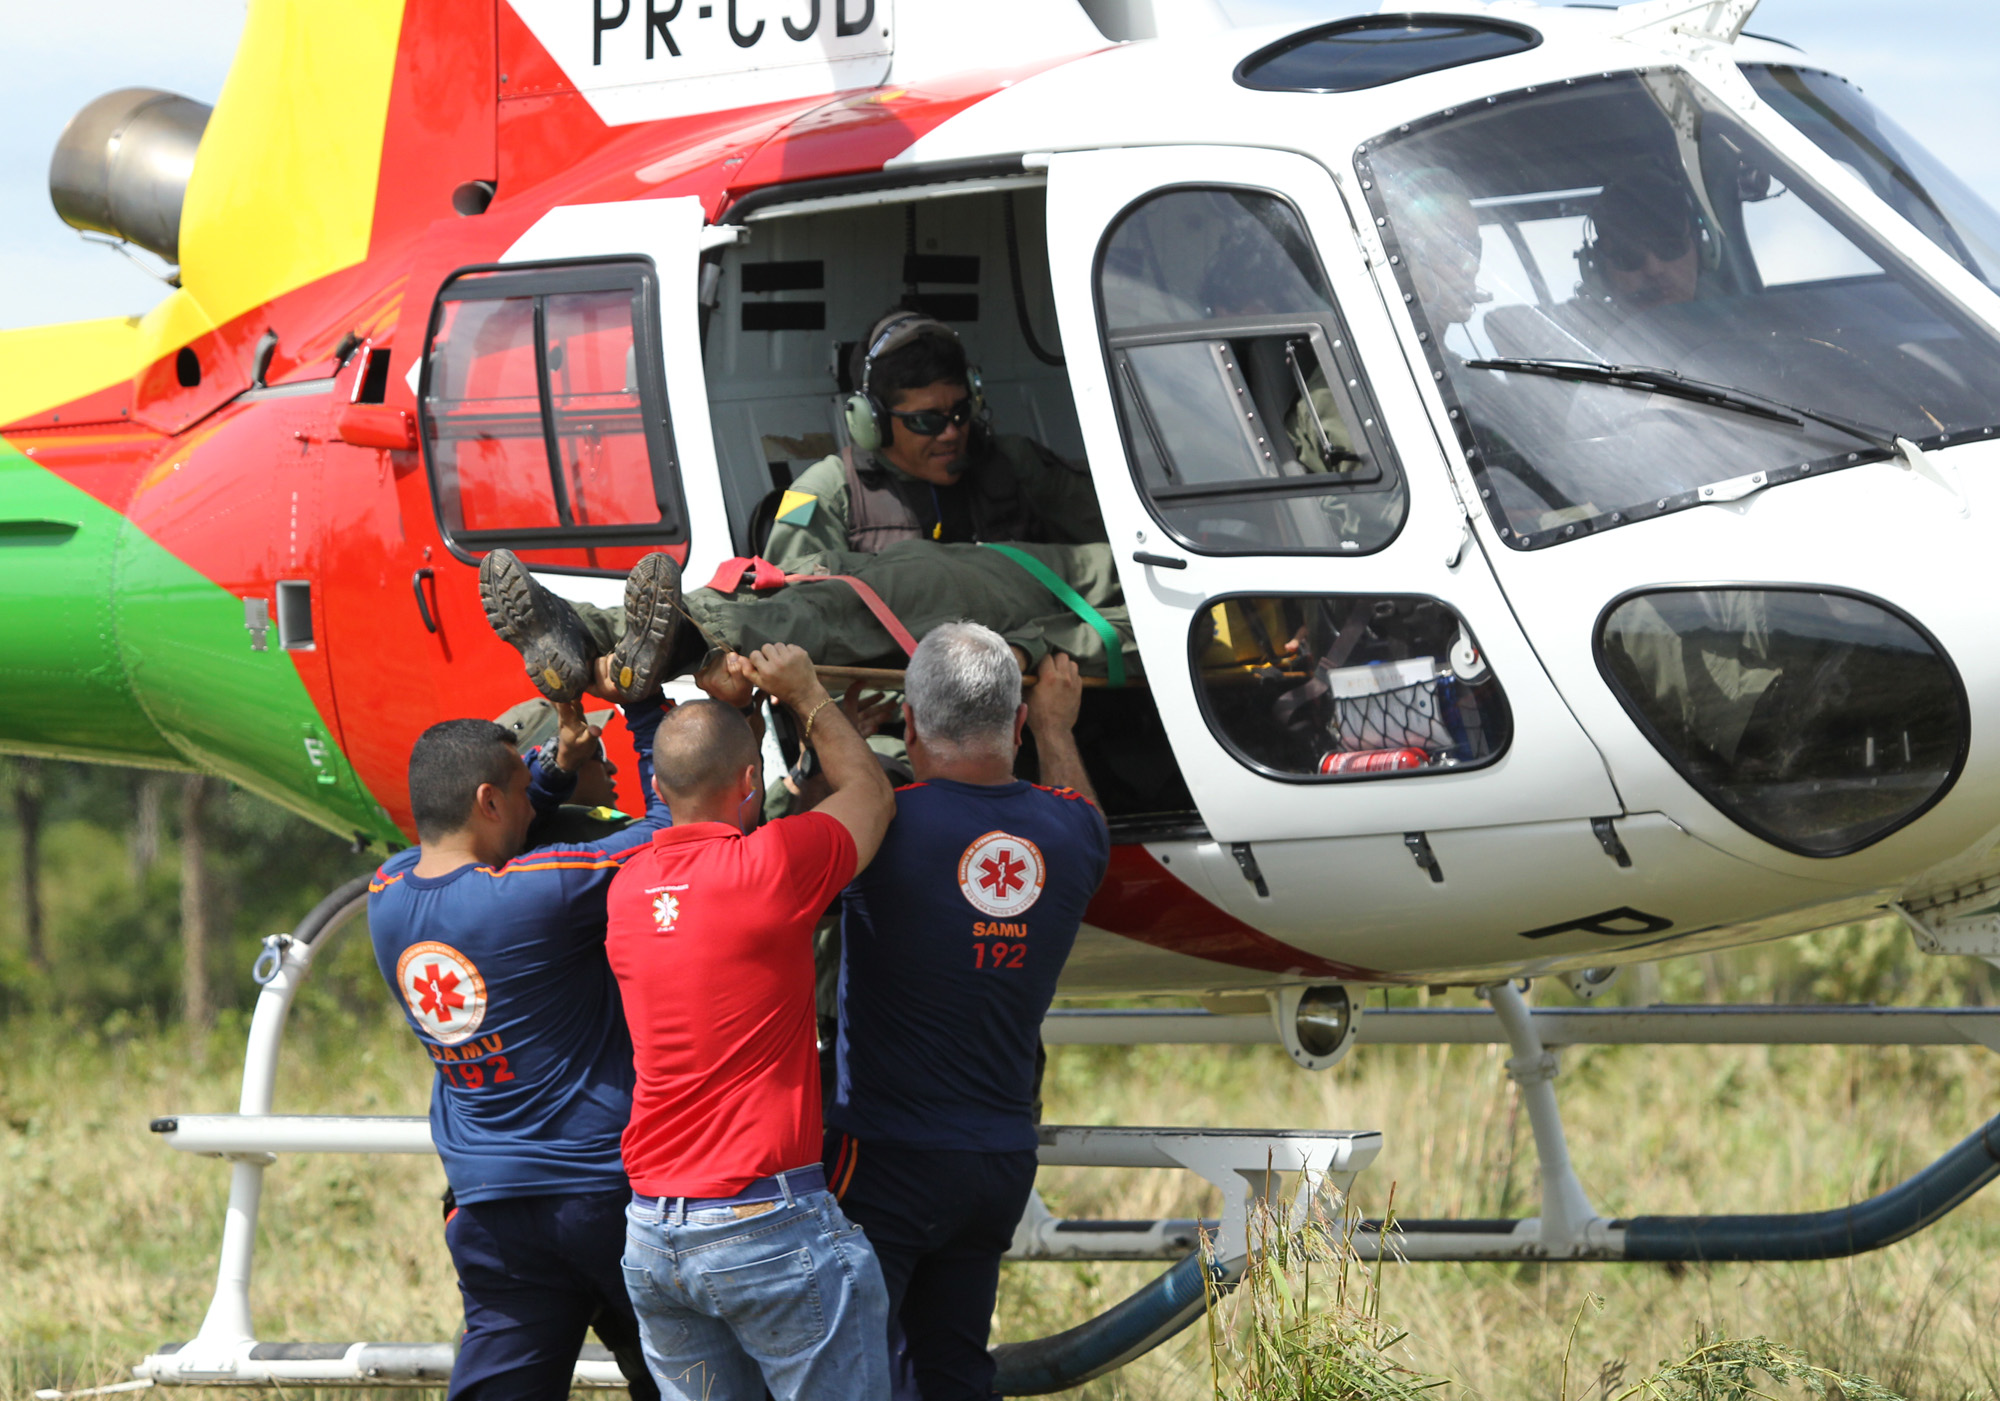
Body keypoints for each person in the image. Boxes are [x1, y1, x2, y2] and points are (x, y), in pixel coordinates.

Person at [368, 660, 673, 1401]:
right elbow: (674, 830)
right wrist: (644, 708)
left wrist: (554, 769)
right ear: (487, 799)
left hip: (489, 1207)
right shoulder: (538, 893)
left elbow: (494, 823)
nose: (534, 812)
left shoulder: (388, 891)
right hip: (603, 1196)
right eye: (521, 792)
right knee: (690, 1379)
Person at [824, 623, 1109, 1401]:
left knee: (849, 1373)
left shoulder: (883, 825)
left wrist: (832, 732)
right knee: (951, 1370)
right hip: (996, 1163)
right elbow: (1082, 806)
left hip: (884, 1157)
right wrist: (1057, 729)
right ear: (1017, 723)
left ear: (910, 725)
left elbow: (803, 839)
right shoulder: (1074, 835)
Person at [606, 642, 898, 1401]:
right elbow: (871, 795)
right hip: (765, 1222)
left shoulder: (628, 888)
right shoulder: (768, 868)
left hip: (654, 1234)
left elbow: (712, 809)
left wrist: (741, 718)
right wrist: (806, 695)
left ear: (659, 788)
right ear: (749, 782)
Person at [479, 539, 1137, 707]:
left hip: (1002, 601)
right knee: (808, 594)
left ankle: (653, 634)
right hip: (1011, 575)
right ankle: (585, 631)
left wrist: (1012, 655)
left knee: (827, 614)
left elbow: (1128, 642)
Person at [763, 311, 1105, 566]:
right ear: (872, 421)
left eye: (960, 412)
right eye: (926, 421)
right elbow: (792, 612)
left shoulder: (1017, 463)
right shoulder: (821, 496)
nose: (951, 433)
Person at [1582, 170, 1705, 311]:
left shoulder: (1728, 321)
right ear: (1601, 269)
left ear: (1701, 251)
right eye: (1628, 256)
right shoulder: (1573, 324)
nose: (1653, 269)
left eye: (1670, 248)